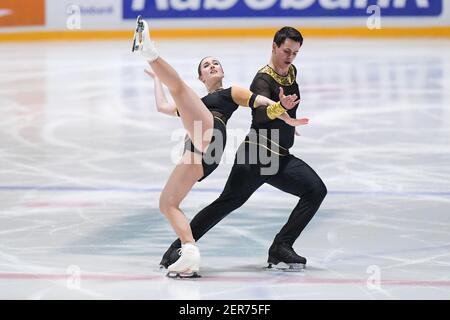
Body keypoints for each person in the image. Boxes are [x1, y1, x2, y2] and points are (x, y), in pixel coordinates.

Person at [132, 17, 309, 278]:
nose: (212, 66)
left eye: (216, 63)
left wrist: (282, 111)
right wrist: (157, 81)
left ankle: (149, 52)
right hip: (198, 154)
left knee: (179, 88)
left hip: (211, 132)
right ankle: (188, 251)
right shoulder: (194, 103)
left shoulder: (230, 93)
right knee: (168, 203)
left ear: (222, 72)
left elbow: (260, 102)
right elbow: (163, 106)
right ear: (201, 76)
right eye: (206, 65)